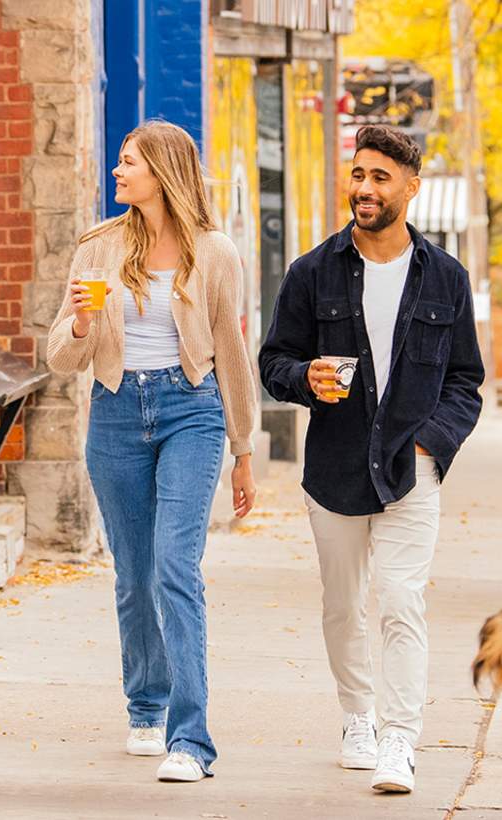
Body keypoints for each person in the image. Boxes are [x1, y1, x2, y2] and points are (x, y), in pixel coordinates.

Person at [259, 125, 484, 794]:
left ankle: (398, 740)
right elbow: (274, 362)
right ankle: (356, 715)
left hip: (410, 470)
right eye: (358, 174)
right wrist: (306, 379)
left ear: (409, 189)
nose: (363, 188)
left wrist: (429, 441)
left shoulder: (445, 277)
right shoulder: (312, 271)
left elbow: (466, 382)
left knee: (399, 600)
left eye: (379, 177)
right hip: (332, 469)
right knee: (341, 605)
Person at [47, 120, 257, 782]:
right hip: (114, 413)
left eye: (128, 162)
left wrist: (243, 447)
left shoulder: (215, 252)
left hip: (189, 412)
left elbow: (231, 354)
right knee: (134, 574)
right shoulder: (99, 250)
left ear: (162, 171)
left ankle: (190, 739)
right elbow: (60, 357)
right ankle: (146, 706)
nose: (117, 172)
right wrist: (80, 322)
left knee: (175, 567)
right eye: (117, 162)